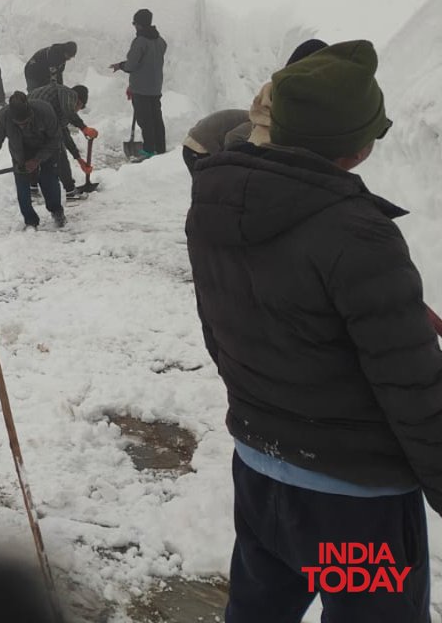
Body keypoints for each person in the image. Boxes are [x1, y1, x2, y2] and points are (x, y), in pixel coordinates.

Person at [186, 40, 442, 623]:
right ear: (357, 146)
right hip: (351, 509)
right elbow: (413, 389)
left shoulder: (214, 205)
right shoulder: (358, 234)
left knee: (260, 611)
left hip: (260, 469)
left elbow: (224, 331)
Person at [182, 39, 328, 172]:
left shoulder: (262, 118)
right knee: (211, 188)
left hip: (202, 139)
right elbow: (231, 139)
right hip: (197, 147)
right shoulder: (256, 126)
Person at [0, 91, 65, 228]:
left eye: (25, 122)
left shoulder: (44, 111)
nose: (22, 126)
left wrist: (37, 160)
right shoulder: (3, 117)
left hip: (46, 149)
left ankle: (56, 211)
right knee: (22, 188)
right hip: (20, 153)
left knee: (49, 181)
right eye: (18, 124)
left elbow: (56, 139)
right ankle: (30, 221)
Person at [110, 9, 166, 157]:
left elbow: (131, 65)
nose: (134, 26)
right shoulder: (160, 41)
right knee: (156, 119)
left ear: (139, 24)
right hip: (155, 87)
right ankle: (160, 149)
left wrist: (121, 66)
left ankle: (148, 150)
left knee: (145, 120)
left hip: (141, 89)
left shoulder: (140, 41)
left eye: (134, 23)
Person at [28, 83, 97, 198]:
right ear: (78, 101)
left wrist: (79, 159)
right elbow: (69, 111)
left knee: (34, 154)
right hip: (34, 120)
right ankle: (70, 192)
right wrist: (83, 127)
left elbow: (64, 135)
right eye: (79, 108)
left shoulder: (57, 106)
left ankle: (32, 188)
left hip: (24, 122)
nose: (77, 111)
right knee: (59, 153)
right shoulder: (67, 93)